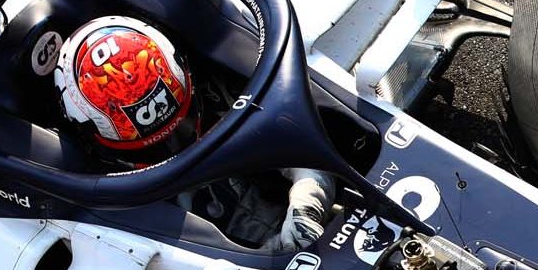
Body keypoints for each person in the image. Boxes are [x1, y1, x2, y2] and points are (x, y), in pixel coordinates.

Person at [54, 16, 337, 254]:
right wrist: (276, 253)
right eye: (155, 147)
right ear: (91, 136)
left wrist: (307, 201)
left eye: (182, 125)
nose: (178, 148)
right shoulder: (107, 205)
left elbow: (297, 140)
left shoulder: (221, 89)